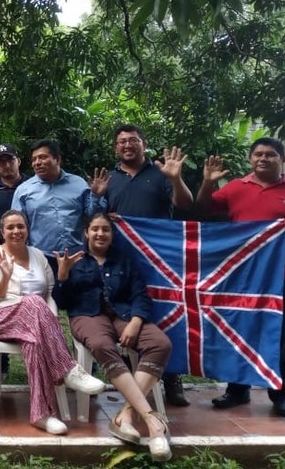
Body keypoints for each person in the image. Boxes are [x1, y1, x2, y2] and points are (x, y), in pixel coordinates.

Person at [196, 138, 285, 418]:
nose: (263, 159)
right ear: (250, 159)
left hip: (283, 276)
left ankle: (281, 394)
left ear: (282, 159)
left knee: (279, 337)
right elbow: (204, 209)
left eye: (270, 155)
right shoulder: (236, 188)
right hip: (241, 276)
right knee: (238, 331)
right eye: (258, 154)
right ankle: (237, 390)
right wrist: (208, 182)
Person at [53, 213, 172, 461]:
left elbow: (140, 294)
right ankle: (153, 423)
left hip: (124, 315)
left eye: (105, 229)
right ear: (86, 232)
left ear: (112, 233)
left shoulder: (124, 259)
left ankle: (126, 415)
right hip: (87, 315)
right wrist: (62, 276)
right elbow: (62, 302)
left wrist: (136, 322)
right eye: (95, 229)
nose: (100, 234)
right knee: (101, 344)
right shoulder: (74, 259)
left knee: (160, 343)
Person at [0, 210, 105, 435]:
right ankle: (67, 369)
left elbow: (50, 292)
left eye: (21, 226)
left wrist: (49, 319)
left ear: (27, 230)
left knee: (34, 340)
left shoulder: (37, 255)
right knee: (35, 302)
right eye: (10, 227)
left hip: (33, 318)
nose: (16, 231)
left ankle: (41, 415)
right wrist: (6, 275)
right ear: (2, 232)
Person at [104, 124, 193, 407]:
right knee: (125, 313)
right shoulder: (110, 179)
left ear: (143, 143)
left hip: (159, 262)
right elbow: (99, 219)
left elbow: (185, 204)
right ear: (116, 148)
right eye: (121, 142)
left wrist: (175, 179)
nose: (127, 145)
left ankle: (172, 379)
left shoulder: (161, 173)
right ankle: (133, 381)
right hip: (122, 262)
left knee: (165, 315)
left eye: (133, 140)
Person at [12, 139, 109, 271]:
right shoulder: (23, 190)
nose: (37, 163)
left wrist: (97, 196)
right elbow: (16, 227)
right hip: (41, 258)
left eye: (42, 157)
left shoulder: (78, 184)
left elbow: (92, 216)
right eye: (34, 159)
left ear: (57, 159)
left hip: (77, 256)